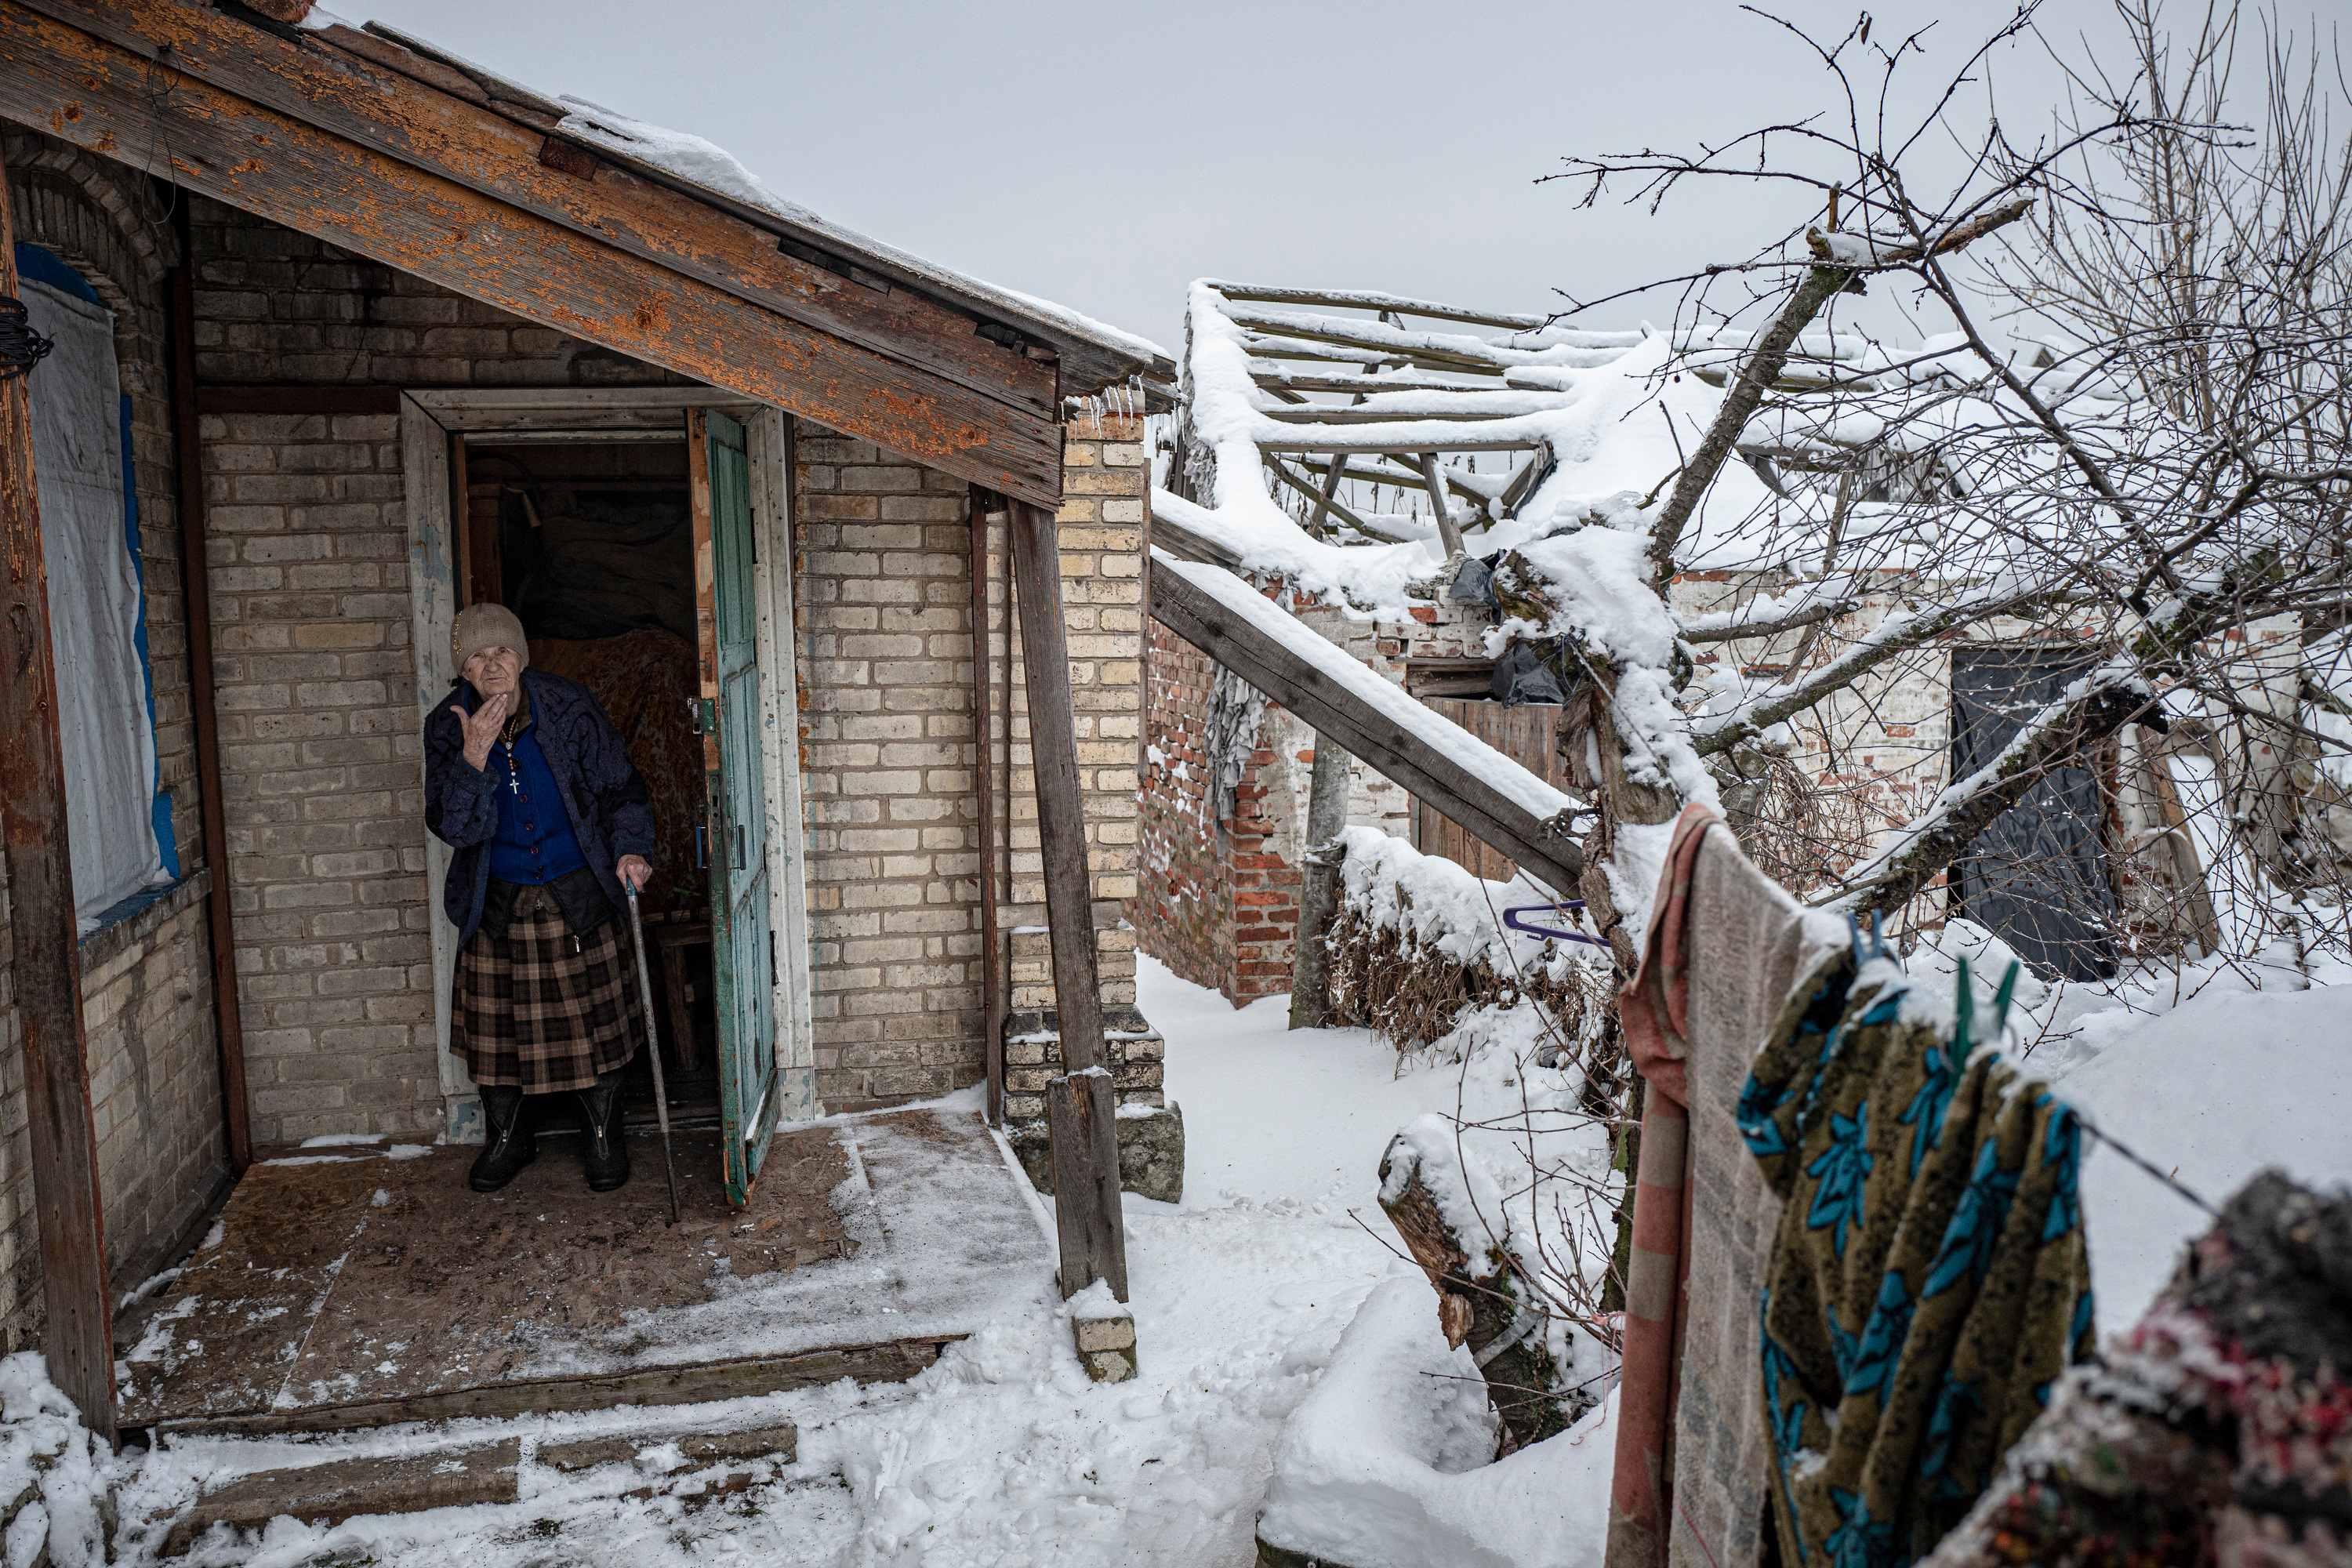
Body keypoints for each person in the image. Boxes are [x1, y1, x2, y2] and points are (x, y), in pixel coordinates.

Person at [424, 603, 655, 1194]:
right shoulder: (445, 728)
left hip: (576, 889)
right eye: (477, 654)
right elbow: (455, 828)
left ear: (522, 656)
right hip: (496, 900)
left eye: (502, 650)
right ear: (463, 669)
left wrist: (630, 849)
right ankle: (509, 1137)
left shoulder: (569, 706)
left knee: (597, 1031)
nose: (492, 662)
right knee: (496, 1039)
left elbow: (621, 787)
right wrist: (473, 756)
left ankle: (604, 1134)